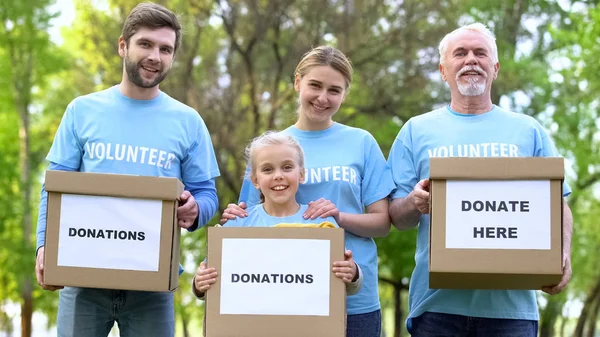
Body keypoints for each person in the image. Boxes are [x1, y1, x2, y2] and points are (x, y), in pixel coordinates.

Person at [34, 3, 220, 337]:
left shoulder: (188, 121)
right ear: (123, 46)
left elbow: (207, 196)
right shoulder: (82, 110)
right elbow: (54, 188)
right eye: (146, 44)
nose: (155, 56)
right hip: (83, 277)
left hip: (152, 282)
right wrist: (44, 247)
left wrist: (195, 211)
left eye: (166, 49)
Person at [387, 22, 573, 337]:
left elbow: (557, 202)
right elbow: (397, 217)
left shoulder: (528, 130)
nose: (471, 59)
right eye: (460, 53)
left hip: (512, 309)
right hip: (436, 309)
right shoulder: (415, 131)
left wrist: (562, 253)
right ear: (444, 70)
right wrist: (414, 202)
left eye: (480, 53)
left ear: (495, 68)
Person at [221, 46, 395, 337]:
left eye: (334, 90)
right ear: (297, 82)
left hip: (354, 298)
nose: (323, 98)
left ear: (344, 94)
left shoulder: (361, 142)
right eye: (315, 85)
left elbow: (382, 222)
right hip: (287, 297)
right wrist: (232, 215)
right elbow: (248, 226)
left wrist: (339, 217)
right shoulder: (274, 149)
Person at [194, 131, 362, 300]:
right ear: (255, 180)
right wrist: (199, 284)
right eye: (267, 169)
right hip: (253, 325)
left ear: (301, 174)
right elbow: (210, 279)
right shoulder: (237, 223)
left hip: (305, 324)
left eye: (287, 167)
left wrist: (352, 271)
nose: (278, 175)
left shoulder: (322, 222)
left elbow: (349, 284)